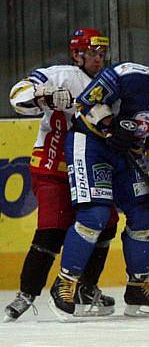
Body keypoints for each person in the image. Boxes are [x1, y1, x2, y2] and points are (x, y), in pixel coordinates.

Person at [48, 36, 149, 320]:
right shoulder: (128, 75)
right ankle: (65, 284)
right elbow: (86, 101)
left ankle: (137, 287)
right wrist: (111, 127)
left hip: (127, 154)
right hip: (90, 145)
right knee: (95, 216)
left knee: (143, 214)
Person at [5, 28, 119, 322]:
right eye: (92, 53)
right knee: (53, 228)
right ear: (76, 54)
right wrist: (43, 94)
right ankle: (26, 294)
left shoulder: (109, 83)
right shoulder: (61, 75)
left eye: (101, 53)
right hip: (53, 166)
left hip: (90, 170)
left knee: (106, 223)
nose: (98, 58)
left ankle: (84, 288)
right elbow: (18, 95)